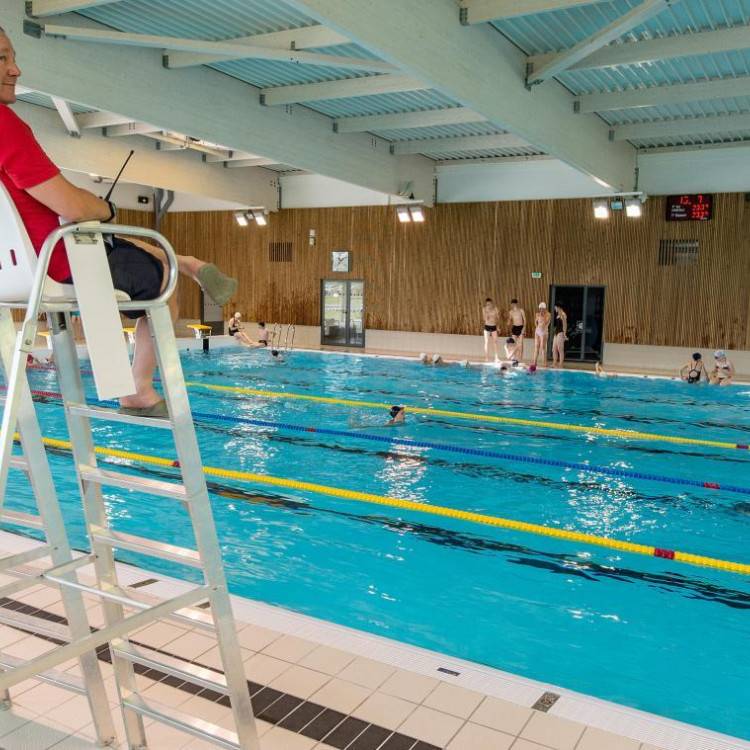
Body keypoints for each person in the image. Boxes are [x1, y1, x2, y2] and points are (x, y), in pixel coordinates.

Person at [0, 28, 237, 418]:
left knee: (113, 243)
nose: (16, 69)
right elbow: (74, 206)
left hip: (20, 267)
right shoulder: (5, 125)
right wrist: (102, 208)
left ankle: (192, 262)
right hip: (59, 260)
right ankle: (138, 389)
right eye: (3, 59)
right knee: (163, 277)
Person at [532, 302, 551, 368]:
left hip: (544, 331)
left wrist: (542, 315)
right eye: (540, 308)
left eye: (542, 309)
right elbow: (535, 321)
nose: (541, 310)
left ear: (545, 308)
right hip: (537, 331)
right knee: (536, 346)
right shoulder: (537, 314)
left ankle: (544, 363)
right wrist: (537, 326)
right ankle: (534, 362)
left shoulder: (548, 314)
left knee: (543, 347)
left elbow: (546, 322)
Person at [482, 298, 500, 362]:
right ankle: (486, 357)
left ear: (492, 303)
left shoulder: (495, 309)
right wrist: (487, 312)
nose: (488, 305)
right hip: (487, 326)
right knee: (486, 342)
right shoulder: (484, 309)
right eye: (487, 304)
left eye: (489, 304)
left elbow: (498, 318)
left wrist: (498, 326)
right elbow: (485, 319)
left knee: (495, 342)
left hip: (494, 326)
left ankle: (496, 357)